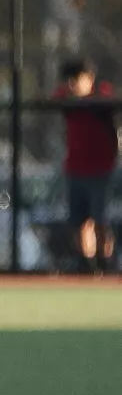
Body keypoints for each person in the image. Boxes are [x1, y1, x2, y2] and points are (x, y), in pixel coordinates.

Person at [54, 58, 118, 273]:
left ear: (89, 79)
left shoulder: (103, 97)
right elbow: (56, 98)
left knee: (99, 218)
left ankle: (104, 262)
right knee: (78, 221)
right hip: (75, 169)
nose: (73, 85)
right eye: (70, 81)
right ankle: (85, 263)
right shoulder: (68, 102)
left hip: (100, 169)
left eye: (77, 80)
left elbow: (110, 105)